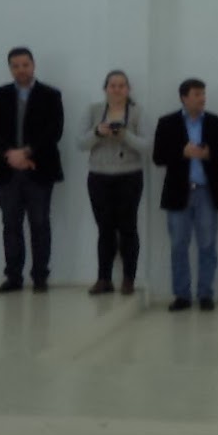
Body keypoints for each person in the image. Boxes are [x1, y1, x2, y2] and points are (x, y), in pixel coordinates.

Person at [0, 47, 65, 293]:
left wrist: (27, 152)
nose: (21, 69)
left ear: (33, 65)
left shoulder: (51, 94)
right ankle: (13, 277)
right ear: (10, 68)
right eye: (16, 65)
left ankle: (40, 276)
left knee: (40, 223)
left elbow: (55, 131)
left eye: (25, 64)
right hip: (7, 170)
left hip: (39, 168)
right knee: (10, 224)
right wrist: (11, 154)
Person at [151, 79, 218, 312]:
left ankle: (206, 294)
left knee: (207, 245)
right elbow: (158, 157)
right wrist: (181, 153)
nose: (202, 98)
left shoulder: (217, 122)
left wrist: (209, 155)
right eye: (197, 94)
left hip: (207, 192)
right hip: (179, 192)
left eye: (203, 94)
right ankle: (182, 295)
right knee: (178, 245)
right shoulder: (167, 122)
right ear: (184, 97)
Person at [77, 70, 147, 295]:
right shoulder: (93, 111)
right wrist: (98, 132)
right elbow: (80, 143)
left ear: (128, 89)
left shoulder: (137, 112)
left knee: (128, 228)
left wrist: (125, 135)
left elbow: (147, 145)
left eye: (121, 86)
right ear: (105, 88)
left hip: (129, 175)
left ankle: (129, 279)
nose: (117, 90)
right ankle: (104, 278)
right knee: (105, 229)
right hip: (99, 176)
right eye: (113, 85)